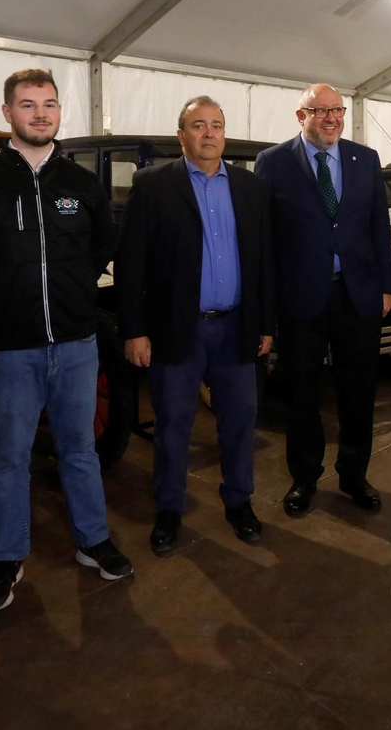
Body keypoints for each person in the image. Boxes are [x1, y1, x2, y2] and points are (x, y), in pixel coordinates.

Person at [0, 68, 130, 613]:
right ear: (7, 112)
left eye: (49, 104)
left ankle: (92, 539)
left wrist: (73, 295)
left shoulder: (82, 185)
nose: (40, 114)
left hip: (77, 346)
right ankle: (8, 555)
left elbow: (101, 248)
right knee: (9, 458)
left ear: (60, 111)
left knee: (80, 450)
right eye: (28, 104)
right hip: (8, 351)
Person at [115, 96, 275, 554]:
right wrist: (134, 330)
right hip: (175, 328)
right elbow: (131, 264)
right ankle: (169, 508)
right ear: (181, 135)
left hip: (236, 327)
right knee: (172, 425)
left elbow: (264, 260)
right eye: (199, 125)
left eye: (216, 125)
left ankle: (239, 502)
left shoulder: (250, 187)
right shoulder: (152, 185)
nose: (209, 133)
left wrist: (265, 324)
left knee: (240, 421)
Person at [254, 83, 391, 517]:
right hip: (300, 299)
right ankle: (304, 477)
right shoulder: (273, 162)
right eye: (321, 111)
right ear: (301, 116)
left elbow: (379, 227)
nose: (332, 118)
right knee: (301, 393)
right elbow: (265, 237)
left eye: (338, 110)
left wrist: (386, 286)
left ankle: (354, 475)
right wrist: (267, 302)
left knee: (359, 392)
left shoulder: (365, 159)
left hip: (358, 295)